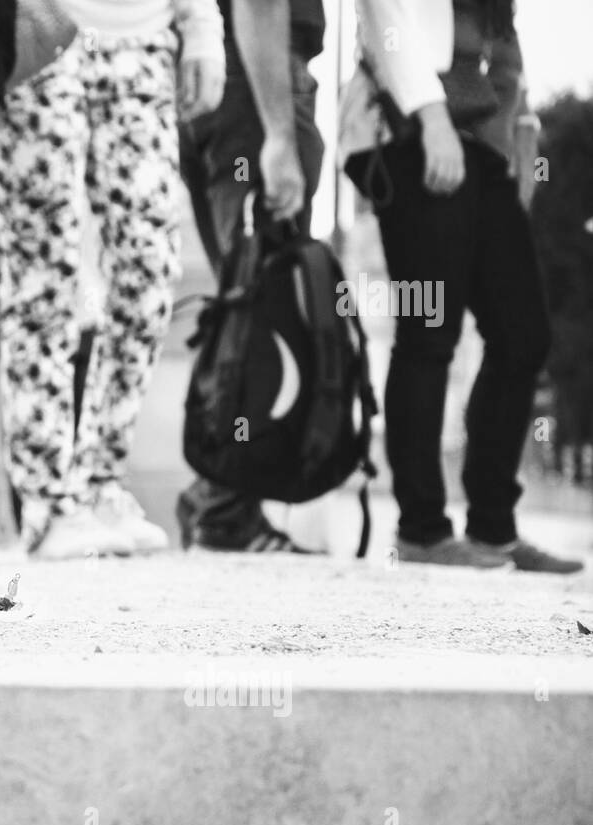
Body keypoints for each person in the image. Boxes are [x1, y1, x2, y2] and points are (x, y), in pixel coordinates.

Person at [0, 0, 225, 559]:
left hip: (141, 40)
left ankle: (99, 483)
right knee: (43, 273)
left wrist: (203, 26)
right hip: (30, 37)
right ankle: (45, 502)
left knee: (149, 265)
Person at [340, 0, 582, 573]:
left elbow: (503, 59)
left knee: (523, 334)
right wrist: (432, 119)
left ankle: (494, 528)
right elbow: (386, 18)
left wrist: (523, 138)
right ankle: (422, 528)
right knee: (430, 332)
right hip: (411, 132)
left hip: (482, 148)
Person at [176, 0, 327, 554]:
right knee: (262, 308)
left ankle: (216, 498)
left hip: (211, 78)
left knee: (244, 301)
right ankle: (224, 511)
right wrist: (281, 135)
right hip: (255, 84)